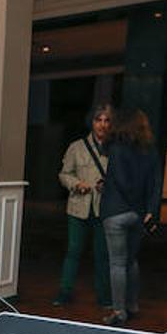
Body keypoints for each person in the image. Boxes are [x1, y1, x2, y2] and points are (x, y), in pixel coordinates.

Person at [99, 107, 162, 326]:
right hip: (139, 215)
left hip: (116, 211)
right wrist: (149, 210)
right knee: (131, 261)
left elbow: (122, 182)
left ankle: (119, 311)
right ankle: (132, 304)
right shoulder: (151, 151)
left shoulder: (116, 149)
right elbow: (156, 184)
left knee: (117, 263)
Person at [54, 105, 113, 308]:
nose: (102, 125)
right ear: (92, 122)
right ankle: (65, 292)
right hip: (78, 207)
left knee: (102, 254)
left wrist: (109, 185)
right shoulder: (76, 147)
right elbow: (64, 174)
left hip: (103, 208)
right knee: (73, 251)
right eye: (99, 120)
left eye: (107, 120)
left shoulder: (115, 148)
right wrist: (76, 184)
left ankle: (104, 296)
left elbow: (122, 177)